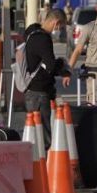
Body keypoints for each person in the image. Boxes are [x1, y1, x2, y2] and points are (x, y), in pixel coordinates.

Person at [24, 9, 71, 150]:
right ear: (56, 23)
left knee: (33, 133)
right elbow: (50, 65)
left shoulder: (31, 34)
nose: (59, 30)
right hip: (39, 92)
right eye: (60, 27)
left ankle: (35, 168)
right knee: (43, 137)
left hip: (31, 90)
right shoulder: (43, 39)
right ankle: (41, 168)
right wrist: (64, 69)